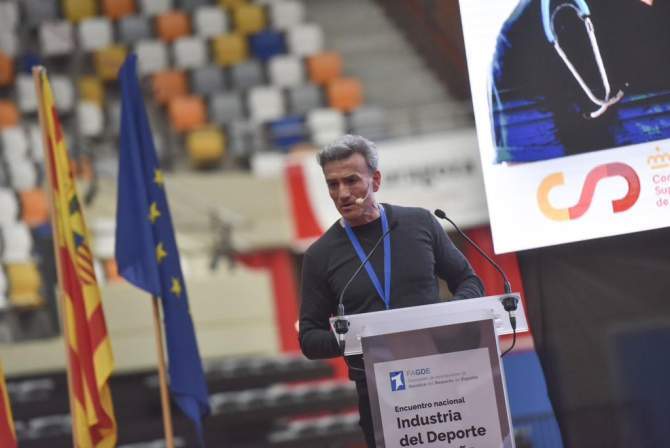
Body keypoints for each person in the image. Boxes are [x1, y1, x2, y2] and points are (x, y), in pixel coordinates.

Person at [298, 135, 485, 447]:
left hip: (443, 380)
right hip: (378, 395)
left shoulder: (420, 223)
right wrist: (361, 336)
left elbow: (470, 282)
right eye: (332, 184)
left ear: (376, 179)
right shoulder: (320, 255)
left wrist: (445, 318)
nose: (342, 193)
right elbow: (309, 338)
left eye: (351, 180)